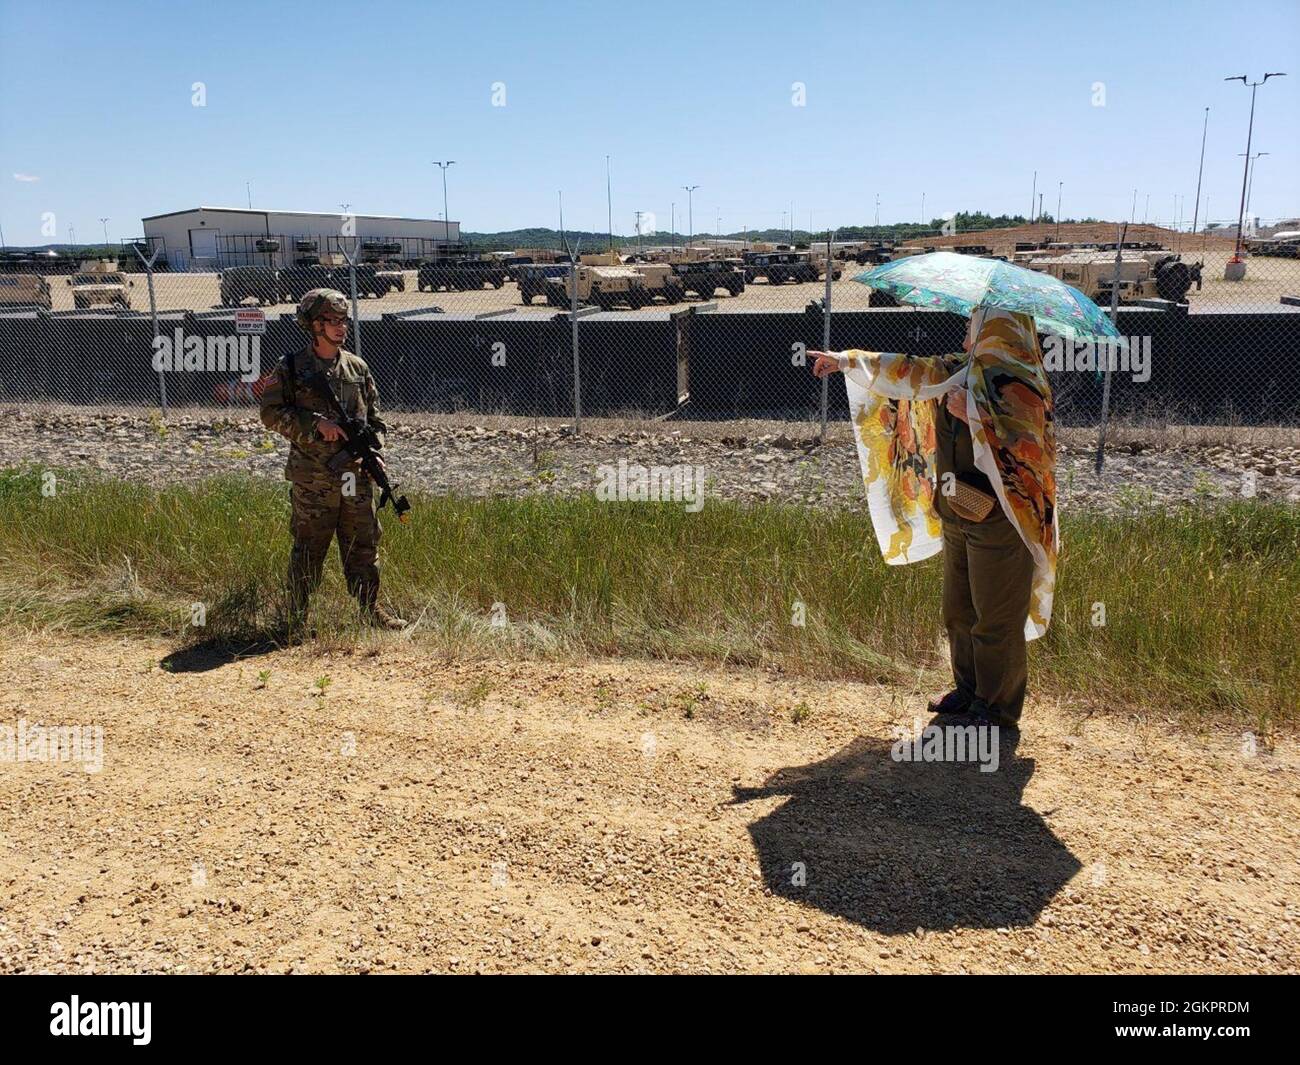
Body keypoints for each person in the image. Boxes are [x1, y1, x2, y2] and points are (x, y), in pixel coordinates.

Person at [809, 305, 1058, 730]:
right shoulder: (960, 370)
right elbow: (910, 372)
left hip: (1003, 521)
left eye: (974, 325)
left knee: (995, 617)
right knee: (958, 609)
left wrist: (974, 416)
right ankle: (968, 690)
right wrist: (846, 360)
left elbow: (1029, 451)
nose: (966, 333)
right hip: (960, 510)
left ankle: (996, 709)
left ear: (997, 332)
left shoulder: (1022, 381)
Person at [260, 288, 407, 634]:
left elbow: (376, 420)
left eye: (344, 321)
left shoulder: (356, 367)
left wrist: (376, 452)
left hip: (355, 476)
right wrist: (315, 425)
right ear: (313, 325)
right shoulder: (292, 368)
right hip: (313, 478)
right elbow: (269, 413)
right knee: (309, 548)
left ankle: (371, 610)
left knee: (364, 546)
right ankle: (296, 617)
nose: (341, 327)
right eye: (332, 321)